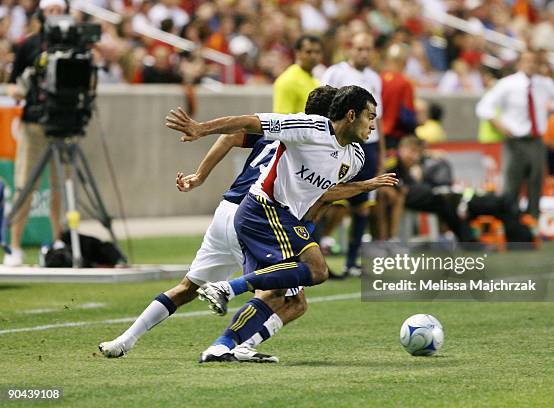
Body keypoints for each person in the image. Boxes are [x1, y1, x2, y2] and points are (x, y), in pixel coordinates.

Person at [99, 86, 396, 362]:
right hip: (259, 213)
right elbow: (248, 124)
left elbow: (235, 137)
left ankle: (127, 340)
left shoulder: (345, 153)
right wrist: (199, 128)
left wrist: (200, 175)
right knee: (294, 297)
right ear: (344, 114)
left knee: (188, 287)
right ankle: (236, 334)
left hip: (227, 212)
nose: (373, 125)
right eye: (370, 117)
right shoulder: (305, 129)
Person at [3, 0, 66, 266]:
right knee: (24, 185)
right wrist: (20, 91)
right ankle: (14, 246)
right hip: (34, 124)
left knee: (61, 186)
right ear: (42, 12)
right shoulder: (29, 45)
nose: (54, 15)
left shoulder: (74, 46)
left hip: (64, 123)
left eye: (59, 10)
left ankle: (59, 242)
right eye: (50, 10)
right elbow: (12, 85)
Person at [319, 32, 385, 276]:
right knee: (326, 199)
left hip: (368, 145)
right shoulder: (335, 73)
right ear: (349, 49)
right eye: (359, 49)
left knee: (362, 206)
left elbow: (380, 118)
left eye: (368, 49)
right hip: (341, 142)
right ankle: (315, 257)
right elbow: (323, 107)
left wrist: (380, 151)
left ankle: (352, 261)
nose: (364, 53)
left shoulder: (375, 78)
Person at [475, 51, 554, 218]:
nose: (530, 65)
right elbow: (484, 106)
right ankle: (511, 226)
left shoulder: (544, 84)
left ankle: (532, 224)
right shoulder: (508, 84)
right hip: (514, 141)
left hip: (537, 140)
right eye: (527, 61)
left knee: (536, 182)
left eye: (534, 62)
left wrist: (548, 113)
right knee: (512, 184)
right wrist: (498, 124)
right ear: (519, 63)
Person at [380, 43, 417, 152]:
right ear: (404, 62)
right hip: (395, 136)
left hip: (376, 134)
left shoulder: (377, 78)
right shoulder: (405, 82)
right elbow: (407, 116)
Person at [273, 35, 322, 114]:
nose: (313, 56)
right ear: (297, 53)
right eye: (308, 52)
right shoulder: (287, 81)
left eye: (317, 52)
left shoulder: (314, 79)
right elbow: (281, 118)